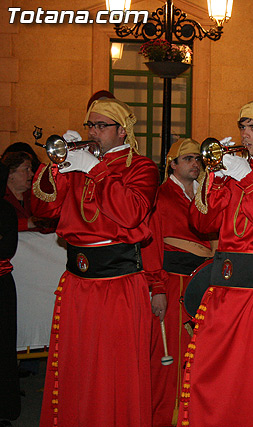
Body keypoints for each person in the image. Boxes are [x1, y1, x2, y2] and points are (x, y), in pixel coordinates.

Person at [32, 98, 159, 427]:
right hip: (77, 282)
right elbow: (43, 210)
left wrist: (95, 169)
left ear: (122, 131)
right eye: (91, 125)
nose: (94, 132)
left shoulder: (141, 167)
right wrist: (58, 166)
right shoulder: (78, 163)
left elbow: (131, 213)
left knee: (113, 367)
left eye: (102, 126)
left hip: (117, 285)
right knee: (77, 364)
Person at [180, 98, 253, 426]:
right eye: (242, 126)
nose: (246, 134)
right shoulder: (234, 170)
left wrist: (247, 178)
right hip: (223, 292)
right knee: (210, 377)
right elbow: (202, 223)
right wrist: (216, 177)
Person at [148, 138, 214, 427]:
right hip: (173, 282)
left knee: (204, 353)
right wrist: (158, 288)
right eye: (187, 158)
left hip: (206, 283)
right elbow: (151, 248)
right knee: (170, 355)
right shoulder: (161, 196)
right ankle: (166, 417)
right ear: (172, 164)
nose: (194, 163)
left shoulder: (208, 195)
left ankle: (196, 415)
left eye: (197, 158)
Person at [0, 163, 20, 426]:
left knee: (3, 349)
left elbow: (6, 246)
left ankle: (3, 409)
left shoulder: (5, 209)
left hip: (1, 284)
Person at [1, 151, 55, 232]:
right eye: (26, 169)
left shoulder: (36, 196)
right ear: (10, 173)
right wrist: (26, 223)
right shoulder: (2, 198)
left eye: (31, 169)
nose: (32, 174)